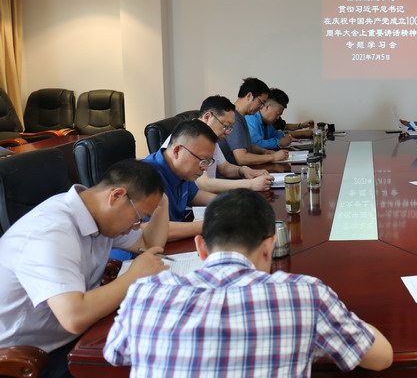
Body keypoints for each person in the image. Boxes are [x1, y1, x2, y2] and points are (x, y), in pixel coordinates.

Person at [104, 189, 393, 377]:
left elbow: (115, 353)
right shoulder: (305, 296)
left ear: (200, 247)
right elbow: (381, 357)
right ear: (269, 247)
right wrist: (332, 319)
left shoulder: (145, 293)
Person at [0, 159, 170, 378]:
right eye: (138, 218)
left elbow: (149, 244)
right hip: (27, 358)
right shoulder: (50, 231)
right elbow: (74, 317)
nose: (134, 228)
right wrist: (133, 277)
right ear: (116, 196)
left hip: (70, 336)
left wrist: (161, 204)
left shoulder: (95, 215)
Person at [162, 95, 274, 193]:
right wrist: (250, 184)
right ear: (207, 117)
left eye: (230, 128)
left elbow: (224, 167)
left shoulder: (208, 136)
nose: (228, 132)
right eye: (225, 126)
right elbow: (204, 184)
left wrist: (243, 171)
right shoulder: (190, 137)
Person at [144, 119, 218, 241]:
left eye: (208, 162)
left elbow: (194, 195)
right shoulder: (147, 176)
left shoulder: (183, 172)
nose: (205, 168)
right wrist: (212, 224)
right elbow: (153, 230)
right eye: (202, 160)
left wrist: (231, 203)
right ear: (177, 151)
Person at [218, 77, 289, 166]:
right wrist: (273, 157)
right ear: (249, 96)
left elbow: (247, 145)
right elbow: (242, 158)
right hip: (234, 171)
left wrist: (264, 151)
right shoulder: (233, 118)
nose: (261, 107)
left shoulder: (241, 116)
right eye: (261, 103)